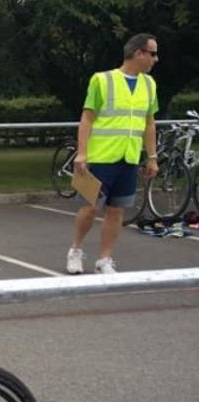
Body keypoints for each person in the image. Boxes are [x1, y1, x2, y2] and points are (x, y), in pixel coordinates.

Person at [67, 33, 159, 275]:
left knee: (117, 210)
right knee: (89, 207)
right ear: (138, 53)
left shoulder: (149, 84)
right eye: (152, 53)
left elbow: (149, 122)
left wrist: (152, 156)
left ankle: (105, 258)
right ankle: (75, 250)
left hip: (128, 157)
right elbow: (87, 118)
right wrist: (82, 153)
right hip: (100, 157)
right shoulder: (102, 80)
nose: (155, 59)